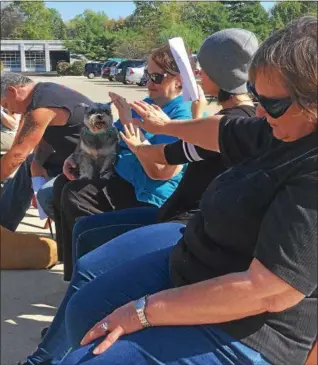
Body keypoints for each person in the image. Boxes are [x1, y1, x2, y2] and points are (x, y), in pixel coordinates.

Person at [20, 16, 317, 365]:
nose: (262, 111)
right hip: (197, 257)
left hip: (250, 327)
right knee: (83, 309)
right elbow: (222, 130)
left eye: (274, 104)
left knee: (83, 357)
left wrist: (143, 312)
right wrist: (164, 126)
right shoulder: (275, 129)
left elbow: (268, 291)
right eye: (256, 96)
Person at [70, 28, 258, 264]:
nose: (198, 74)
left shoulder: (225, 124)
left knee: (88, 261)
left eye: (203, 69)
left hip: (188, 226)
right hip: (180, 216)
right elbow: (183, 146)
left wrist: (141, 135)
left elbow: (163, 163)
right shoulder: (244, 119)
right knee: (83, 227)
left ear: (219, 73)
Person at [52, 44, 193, 281]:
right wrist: (77, 155)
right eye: (148, 75)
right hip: (122, 180)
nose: (149, 82)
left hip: (147, 195)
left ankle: (100, 270)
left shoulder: (180, 116)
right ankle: (74, 271)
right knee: (60, 185)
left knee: (76, 194)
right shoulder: (147, 104)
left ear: (178, 80)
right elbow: (108, 137)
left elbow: (160, 173)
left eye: (157, 77)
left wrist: (129, 123)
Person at [0, 73, 94, 230]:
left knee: (47, 196)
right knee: (29, 165)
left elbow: (17, 154)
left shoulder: (41, 107)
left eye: (5, 104)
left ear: (12, 91)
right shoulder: (45, 92)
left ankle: (76, 237)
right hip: (73, 157)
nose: (10, 111)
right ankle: (3, 226)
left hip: (92, 165)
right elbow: (46, 138)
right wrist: (37, 162)